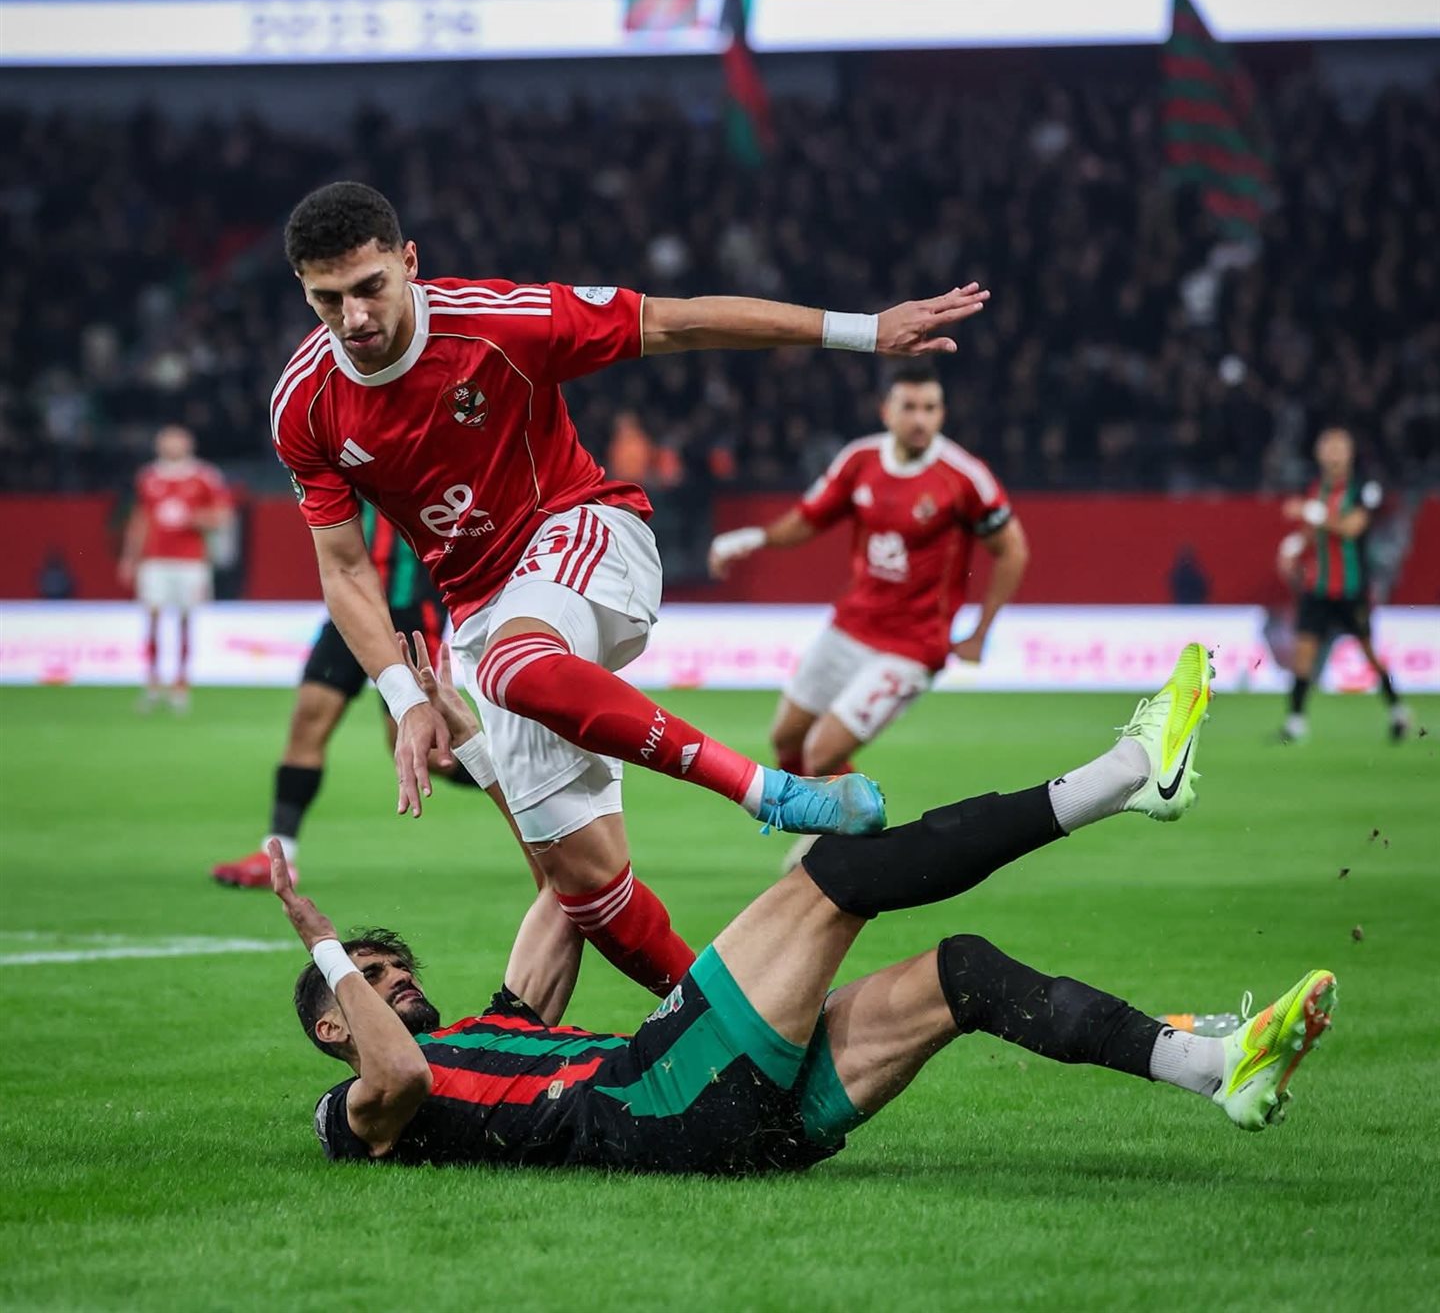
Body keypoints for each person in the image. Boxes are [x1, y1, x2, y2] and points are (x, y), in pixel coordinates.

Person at [270, 181, 987, 997]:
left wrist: (865, 331)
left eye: (370, 289)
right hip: (482, 610)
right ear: (303, 289)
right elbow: (345, 567)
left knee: (512, 667)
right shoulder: (304, 404)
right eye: (329, 300)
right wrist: (405, 699)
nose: (354, 318)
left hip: (585, 533)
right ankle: (745, 1048)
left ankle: (769, 792)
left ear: (408, 263)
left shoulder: (501, 321)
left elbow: (675, 321)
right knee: (585, 894)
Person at [272, 642, 1337, 1174]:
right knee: (837, 874)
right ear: (331, 1023)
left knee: (958, 973)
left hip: (734, 1126)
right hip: (663, 1095)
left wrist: (486, 761)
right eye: (370, 982)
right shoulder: (373, 1110)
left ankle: (1214, 1068)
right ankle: (1123, 775)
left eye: (388, 966)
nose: (393, 978)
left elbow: (564, 888)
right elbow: (396, 1071)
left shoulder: (492, 1029)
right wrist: (323, 943)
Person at [708, 363, 1029, 779]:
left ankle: (849, 838)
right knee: (787, 740)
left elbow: (1013, 550)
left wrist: (980, 633)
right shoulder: (860, 460)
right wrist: (754, 538)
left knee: (821, 754)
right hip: (852, 625)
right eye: (909, 407)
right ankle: (826, 836)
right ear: (886, 411)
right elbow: (809, 519)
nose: (920, 419)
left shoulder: (963, 477)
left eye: (930, 408)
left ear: (942, 413)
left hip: (912, 647)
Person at [211, 506, 454, 890]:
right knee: (308, 719)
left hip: (411, 611)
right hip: (350, 609)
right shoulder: (344, 458)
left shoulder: (427, 456)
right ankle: (279, 854)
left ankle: (523, 792)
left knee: (427, 752)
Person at [1279, 427, 1410, 744]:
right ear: (1318, 453)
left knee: (1368, 652)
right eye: (1327, 446)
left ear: (1350, 453)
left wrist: (1312, 512)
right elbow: (1313, 532)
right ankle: (1295, 723)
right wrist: (1293, 547)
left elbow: (1351, 528)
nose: (1333, 452)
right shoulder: (1314, 487)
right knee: (1303, 653)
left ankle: (1397, 712)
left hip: (1351, 588)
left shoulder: (1365, 489)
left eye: (1339, 446)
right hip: (1317, 587)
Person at [118, 425, 232, 711]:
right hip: (155, 559)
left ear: (188, 444)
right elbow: (141, 517)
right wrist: (130, 556)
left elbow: (223, 516)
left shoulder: (204, 475)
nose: (172, 446)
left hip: (191, 560)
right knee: (153, 617)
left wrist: (191, 517)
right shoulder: (149, 476)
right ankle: (153, 682)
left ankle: (181, 683)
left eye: (177, 441)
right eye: (167, 441)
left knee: (184, 619)